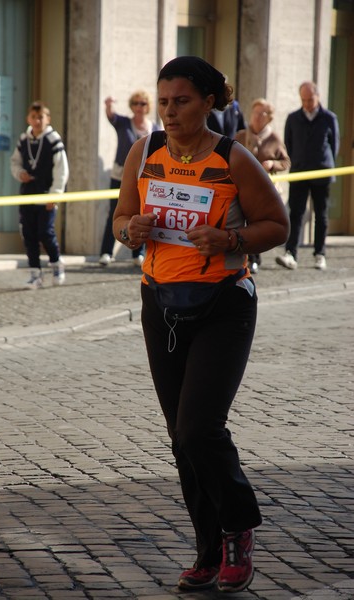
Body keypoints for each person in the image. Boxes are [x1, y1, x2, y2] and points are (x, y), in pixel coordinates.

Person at [113, 56, 289, 593]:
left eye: (181, 101)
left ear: (209, 102)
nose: (169, 111)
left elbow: (276, 224)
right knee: (180, 438)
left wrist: (230, 240)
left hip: (223, 305)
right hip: (160, 303)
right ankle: (208, 550)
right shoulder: (143, 153)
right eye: (163, 102)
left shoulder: (233, 157)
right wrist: (131, 229)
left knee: (198, 428)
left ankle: (238, 527)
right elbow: (120, 220)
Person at [275, 81, 340, 271]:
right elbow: (289, 143)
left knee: (321, 215)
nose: (307, 104)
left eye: (310, 99)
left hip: (322, 172)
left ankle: (320, 254)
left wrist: (324, 164)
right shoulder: (293, 118)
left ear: (317, 97)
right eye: (303, 100)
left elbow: (334, 145)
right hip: (299, 172)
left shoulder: (329, 118)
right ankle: (291, 253)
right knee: (296, 214)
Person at [11, 101, 69, 288]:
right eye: (34, 117)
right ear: (29, 119)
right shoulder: (23, 139)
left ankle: (56, 263)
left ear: (47, 119)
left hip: (46, 194)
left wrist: (55, 195)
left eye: (41, 117)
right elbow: (15, 162)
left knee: (45, 232)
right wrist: (20, 173)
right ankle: (35, 273)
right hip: (27, 194)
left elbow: (61, 170)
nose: (37, 121)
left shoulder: (53, 140)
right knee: (29, 234)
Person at [98, 91, 160, 267]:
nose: (139, 107)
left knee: (141, 213)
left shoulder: (155, 128)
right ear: (132, 106)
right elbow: (111, 117)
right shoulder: (124, 123)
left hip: (145, 178)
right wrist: (108, 105)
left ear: (148, 107)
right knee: (115, 213)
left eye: (143, 104)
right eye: (136, 103)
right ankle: (106, 252)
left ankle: (137, 253)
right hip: (119, 176)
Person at [235, 97, 290, 273]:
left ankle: (255, 258)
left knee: (257, 223)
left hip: (263, 190)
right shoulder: (241, 135)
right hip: (240, 186)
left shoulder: (274, 138)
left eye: (263, 114)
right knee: (241, 222)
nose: (258, 117)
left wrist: (272, 164)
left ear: (269, 118)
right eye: (256, 113)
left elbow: (286, 162)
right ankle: (244, 256)